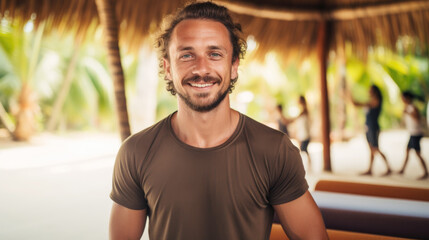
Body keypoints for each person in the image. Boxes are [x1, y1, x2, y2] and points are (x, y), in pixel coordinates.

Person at [109, 2, 328, 240]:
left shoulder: (274, 150)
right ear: (168, 68)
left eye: (214, 54)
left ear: (234, 65)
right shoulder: (136, 152)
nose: (201, 68)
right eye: (186, 55)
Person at [351, 84, 392, 176]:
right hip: (368, 127)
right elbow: (356, 104)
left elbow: (358, 104)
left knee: (375, 148)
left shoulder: (376, 101)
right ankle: (370, 169)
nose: (368, 91)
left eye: (370, 90)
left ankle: (388, 168)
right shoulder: (371, 101)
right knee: (371, 149)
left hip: (373, 127)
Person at [399, 91, 428, 179]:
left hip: (416, 133)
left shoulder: (413, 108)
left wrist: (407, 112)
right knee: (407, 151)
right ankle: (402, 169)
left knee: (418, 153)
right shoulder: (408, 107)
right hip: (412, 133)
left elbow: (417, 118)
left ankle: (426, 172)